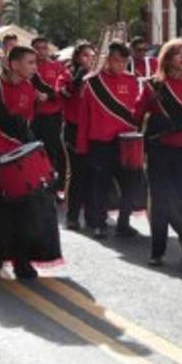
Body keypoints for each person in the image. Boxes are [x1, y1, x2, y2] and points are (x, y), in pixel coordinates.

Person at [0, 45, 62, 282]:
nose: (35, 68)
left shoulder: (29, 88)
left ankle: (22, 261)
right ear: (14, 64)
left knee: (25, 215)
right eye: (30, 63)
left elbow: (25, 124)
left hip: (19, 161)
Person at [138, 39, 182, 264]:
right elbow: (137, 116)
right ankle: (157, 251)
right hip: (159, 150)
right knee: (159, 201)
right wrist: (158, 122)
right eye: (179, 53)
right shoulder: (153, 86)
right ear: (167, 58)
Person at [77, 41, 145, 239]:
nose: (120, 65)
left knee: (130, 184)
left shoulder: (133, 80)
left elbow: (138, 111)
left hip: (126, 142)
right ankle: (99, 223)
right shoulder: (91, 82)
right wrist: (82, 147)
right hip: (100, 143)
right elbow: (84, 117)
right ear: (107, 59)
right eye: (116, 60)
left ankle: (124, 223)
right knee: (101, 185)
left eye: (124, 61)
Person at [60, 43, 94, 229]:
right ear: (77, 57)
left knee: (92, 174)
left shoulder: (96, 76)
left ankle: (92, 215)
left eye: (91, 55)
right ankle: (72, 216)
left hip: (92, 129)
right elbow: (63, 93)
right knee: (77, 173)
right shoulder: (67, 73)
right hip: (73, 129)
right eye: (85, 55)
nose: (89, 59)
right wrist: (76, 79)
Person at [31, 36, 69, 198]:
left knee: (54, 153)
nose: (41, 52)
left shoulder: (57, 67)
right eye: (37, 48)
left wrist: (49, 96)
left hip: (53, 116)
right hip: (33, 118)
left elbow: (63, 89)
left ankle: (55, 189)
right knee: (36, 154)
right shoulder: (29, 68)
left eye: (44, 48)